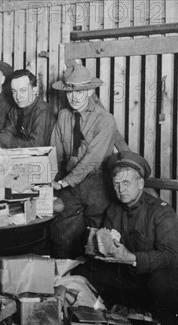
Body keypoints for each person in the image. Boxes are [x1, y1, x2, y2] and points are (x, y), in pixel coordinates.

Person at [82, 151, 178, 325]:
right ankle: (126, 321)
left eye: (127, 183)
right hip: (137, 269)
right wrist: (101, 247)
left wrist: (131, 258)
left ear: (140, 184)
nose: (121, 189)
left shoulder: (161, 211)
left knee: (161, 282)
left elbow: (171, 256)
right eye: (117, 184)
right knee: (89, 272)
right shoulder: (113, 210)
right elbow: (113, 245)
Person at [49, 64, 119, 259]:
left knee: (98, 242)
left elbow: (92, 160)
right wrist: (52, 179)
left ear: (89, 91)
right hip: (68, 184)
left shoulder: (105, 120)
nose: (75, 96)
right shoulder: (63, 116)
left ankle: (92, 286)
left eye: (80, 91)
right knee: (60, 236)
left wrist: (64, 182)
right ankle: (64, 282)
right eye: (70, 91)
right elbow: (54, 151)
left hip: (97, 185)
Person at [0, 69, 55, 148]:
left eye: (23, 90)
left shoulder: (42, 110)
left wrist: (4, 140)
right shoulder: (15, 110)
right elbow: (6, 133)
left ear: (34, 90)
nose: (18, 97)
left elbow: (35, 146)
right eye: (14, 91)